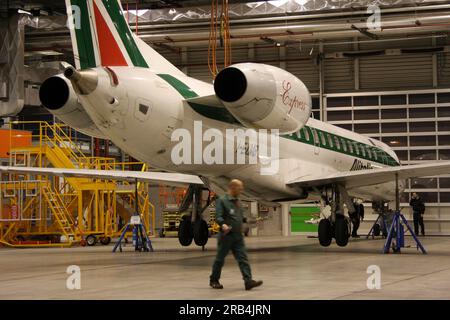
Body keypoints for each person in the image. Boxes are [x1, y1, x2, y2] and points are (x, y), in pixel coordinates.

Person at [210, 179, 263, 291]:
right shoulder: (222, 200)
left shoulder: (238, 201)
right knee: (220, 259)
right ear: (233, 188)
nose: (241, 190)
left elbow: (239, 217)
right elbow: (218, 216)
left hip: (238, 236)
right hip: (226, 236)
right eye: (240, 188)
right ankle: (214, 280)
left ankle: (248, 281)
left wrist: (248, 220)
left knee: (243, 258)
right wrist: (223, 224)